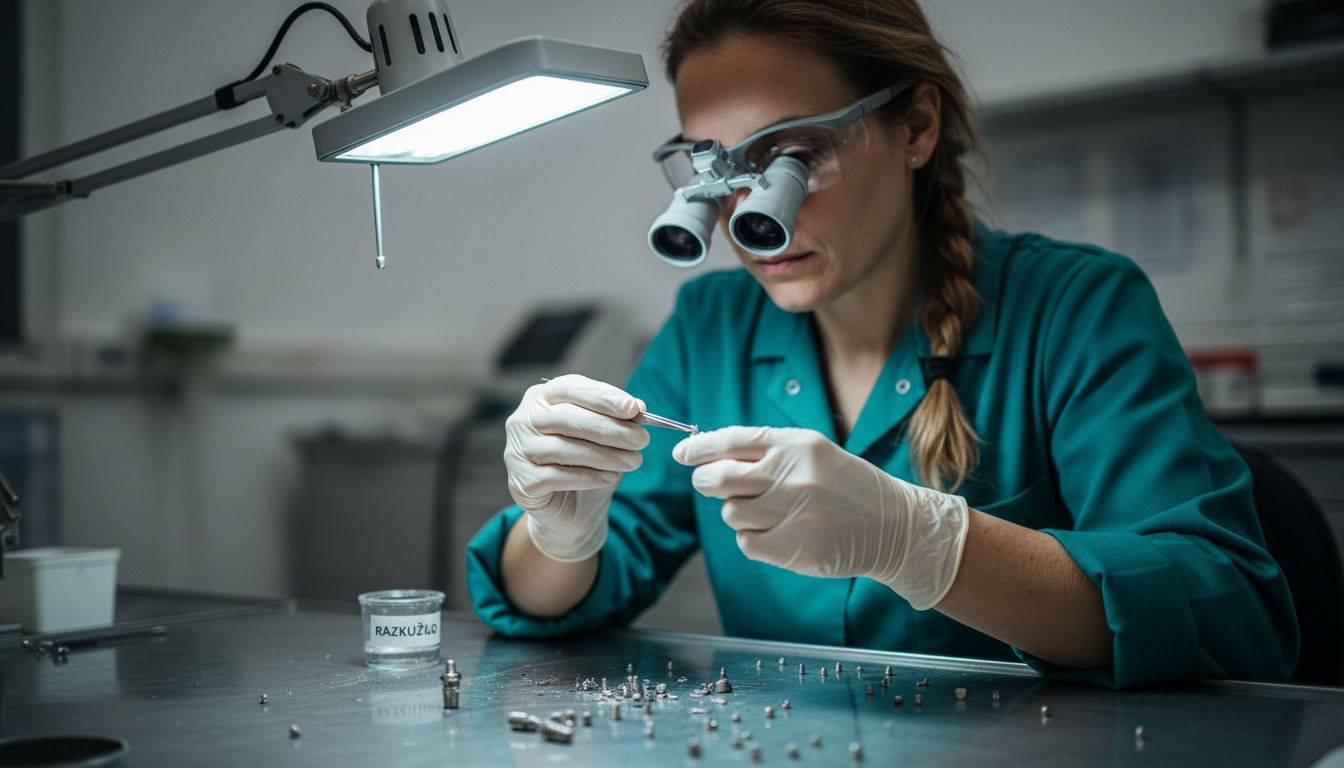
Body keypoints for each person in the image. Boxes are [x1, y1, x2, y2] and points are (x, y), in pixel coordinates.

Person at [465, 0, 1299, 689]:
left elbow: (1229, 614)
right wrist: (559, 533)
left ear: (916, 127)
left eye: (795, 157)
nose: (753, 221)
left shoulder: (1076, 308)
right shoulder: (708, 328)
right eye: (713, 169)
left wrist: (927, 543)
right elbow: (567, 595)